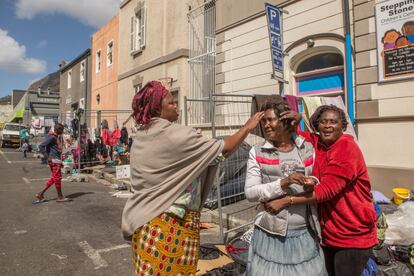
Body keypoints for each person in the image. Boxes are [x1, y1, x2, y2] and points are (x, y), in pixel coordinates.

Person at [121, 81, 264, 275]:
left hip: (145, 228)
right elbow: (225, 148)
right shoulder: (173, 134)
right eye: (171, 103)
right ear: (157, 107)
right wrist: (247, 127)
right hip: (169, 228)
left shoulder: (143, 135)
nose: (176, 106)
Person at [265, 105, 377, 276]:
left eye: (334, 122)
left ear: (343, 126)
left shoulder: (346, 149)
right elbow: (298, 137)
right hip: (329, 232)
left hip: (352, 233)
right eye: (323, 122)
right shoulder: (320, 144)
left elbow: (325, 191)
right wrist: (296, 121)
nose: (327, 126)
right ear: (317, 126)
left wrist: (286, 201)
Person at [244, 98, 327, 276]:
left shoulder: (307, 148)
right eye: (263, 121)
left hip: (304, 232)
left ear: (285, 120)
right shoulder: (257, 152)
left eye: (270, 120)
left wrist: (311, 181)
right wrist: (283, 183)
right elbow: (250, 193)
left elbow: (320, 179)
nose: (266, 125)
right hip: (271, 232)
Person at [34, 123, 70, 203]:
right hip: (54, 160)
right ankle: (59, 197)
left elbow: (56, 149)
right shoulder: (52, 137)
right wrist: (47, 156)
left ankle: (41, 194)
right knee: (57, 178)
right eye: (62, 130)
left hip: (56, 160)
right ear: (58, 130)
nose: (63, 131)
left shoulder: (55, 137)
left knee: (55, 178)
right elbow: (41, 146)